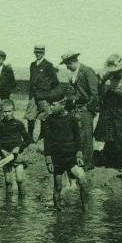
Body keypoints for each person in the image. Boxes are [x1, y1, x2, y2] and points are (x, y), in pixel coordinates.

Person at [35, 81, 89, 211]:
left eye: (53, 105)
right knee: (58, 186)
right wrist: (48, 160)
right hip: (57, 159)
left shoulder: (72, 119)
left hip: (70, 158)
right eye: (50, 105)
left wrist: (79, 153)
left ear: (62, 104)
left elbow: (78, 137)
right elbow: (47, 141)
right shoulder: (49, 120)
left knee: (82, 180)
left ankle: (85, 208)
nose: (51, 108)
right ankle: (57, 210)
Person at [95, 54, 122, 170]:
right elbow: (100, 89)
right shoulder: (106, 77)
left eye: (119, 70)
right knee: (110, 134)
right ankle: (110, 159)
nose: (116, 73)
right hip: (110, 108)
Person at [60, 52, 99, 170]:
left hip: (85, 108)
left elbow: (94, 93)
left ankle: (88, 163)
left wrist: (89, 108)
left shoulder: (86, 71)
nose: (67, 67)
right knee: (79, 135)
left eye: (67, 64)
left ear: (71, 62)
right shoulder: (77, 72)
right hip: (78, 108)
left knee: (86, 136)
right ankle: (81, 160)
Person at [0, 98, 33, 199]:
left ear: (13, 110)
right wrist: (1, 151)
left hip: (17, 155)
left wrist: (19, 147)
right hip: (5, 155)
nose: (7, 114)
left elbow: (28, 139)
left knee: (19, 179)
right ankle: (8, 203)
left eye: (9, 111)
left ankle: (21, 201)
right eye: (5, 112)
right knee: (8, 181)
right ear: (1, 111)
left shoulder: (18, 123)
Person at [28, 45, 58, 137]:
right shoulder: (32, 65)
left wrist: (47, 91)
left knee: (44, 116)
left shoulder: (48, 65)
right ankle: (29, 137)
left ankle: (42, 136)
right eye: (36, 52)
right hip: (33, 95)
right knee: (30, 116)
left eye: (40, 52)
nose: (38, 54)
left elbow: (55, 81)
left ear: (43, 53)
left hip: (44, 95)